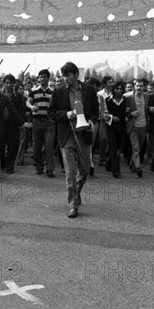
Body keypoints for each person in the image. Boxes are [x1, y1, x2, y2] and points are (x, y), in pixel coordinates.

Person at [48, 61, 99, 218]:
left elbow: (95, 111)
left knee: (83, 171)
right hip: (67, 136)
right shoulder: (58, 92)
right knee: (70, 172)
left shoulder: (89, 90)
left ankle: (75, 194)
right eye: (63, 75)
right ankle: (73, 204)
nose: (65, 78)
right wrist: (66, 114)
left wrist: (92, 121)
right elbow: (51, 112)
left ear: (76, 75)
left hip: (83, 134)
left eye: (68, 75)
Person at [27, 69, 55, 176]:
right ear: (38, 78)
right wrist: (31, 106)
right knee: (37, 146)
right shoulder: (33, 91)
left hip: (49, 122)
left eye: (44, 77)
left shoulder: (53, 92)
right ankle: (39, 167)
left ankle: (50, 169)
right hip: (37, 121)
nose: (42, 79)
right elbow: (28, 102)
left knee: (49, 145)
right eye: (40, 77)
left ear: (48, 78)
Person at [125, 80, 149, 178]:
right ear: (134, 86)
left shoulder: (147, 97)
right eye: (137, 86)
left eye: (141, 86)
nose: (139, 88)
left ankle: (132, 163)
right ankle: (138, 167)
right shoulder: (128, 97)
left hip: (143, 126)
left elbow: (148, 109)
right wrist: (130, 113)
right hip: (133, 125)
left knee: (138, 147)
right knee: (136, 147)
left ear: (144, 87)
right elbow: (123, 110)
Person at [105, 81, 127, 178]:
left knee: (118, 147)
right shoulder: (107, 100)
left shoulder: (126, 101)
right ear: (113, 89)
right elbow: (103, 113)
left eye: (120, 89)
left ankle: (109, 163)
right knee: (113, 147)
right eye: (116, 89)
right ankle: (116, 171)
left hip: (122, 127)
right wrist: (111, 117)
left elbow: (129, 113)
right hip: (111, 127)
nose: (119, 91)